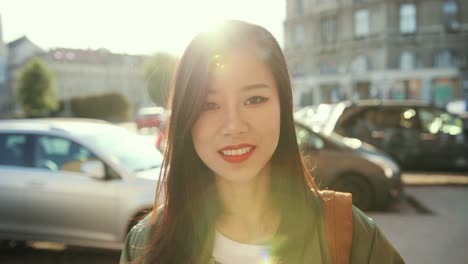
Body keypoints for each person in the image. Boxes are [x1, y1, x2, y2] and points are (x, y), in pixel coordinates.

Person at [120, 20, 404, 264]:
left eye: (254, 99)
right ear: (186, 118)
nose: (234, 126)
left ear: (283, 107)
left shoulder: (347, 233)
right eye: (209, 105)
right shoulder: (145, 243)